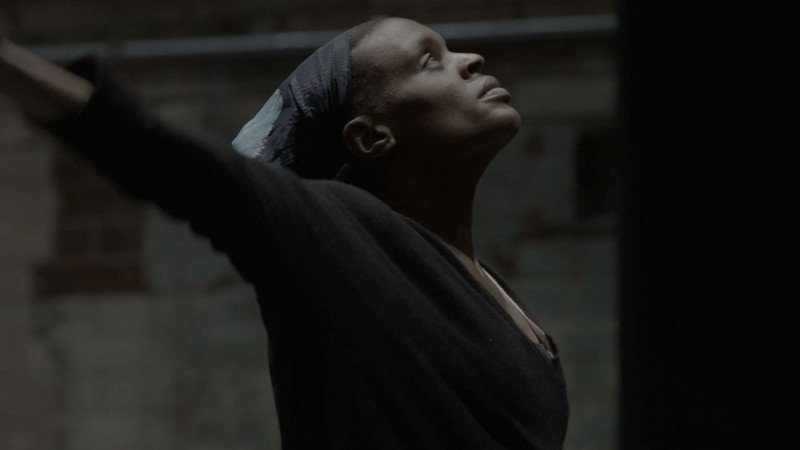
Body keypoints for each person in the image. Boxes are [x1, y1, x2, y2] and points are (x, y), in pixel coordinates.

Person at [1, 16, 569, 450]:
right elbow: (180, 166)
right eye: (430, 62)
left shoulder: (485, 284)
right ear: (371, 138)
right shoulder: (347, 239)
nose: (470, 59)